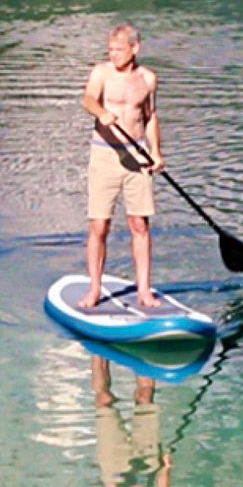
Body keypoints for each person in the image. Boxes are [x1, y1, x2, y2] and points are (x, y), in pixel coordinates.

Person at [82, 23, 166, 309]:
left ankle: (144, 291)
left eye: (119, 49)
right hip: (105, 155)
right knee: (99, 225)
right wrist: (101, 112)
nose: (114, 54)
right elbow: (88, 99)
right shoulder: (101, 73)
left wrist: (156, 152)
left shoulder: (148, 79)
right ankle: (94, 289)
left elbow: (150, 117)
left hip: (137, 156)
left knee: (139, 224)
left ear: (135, 48)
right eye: (111, 49)